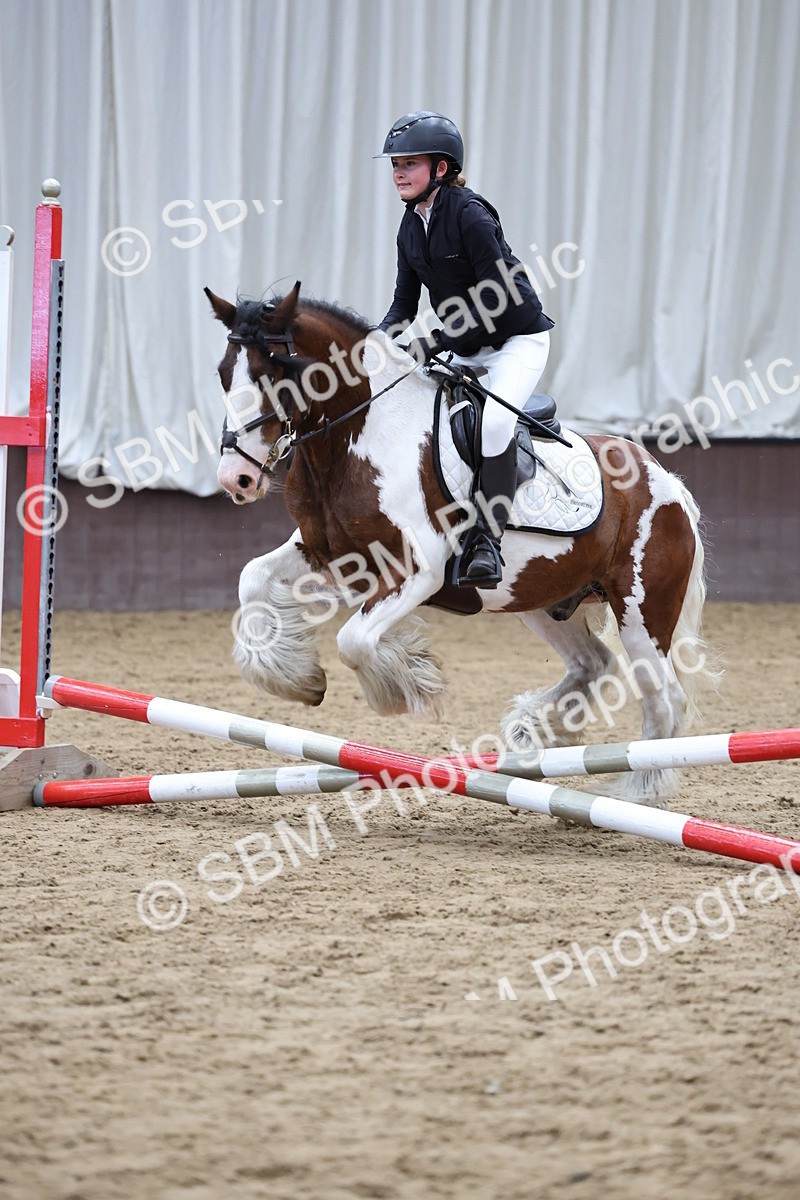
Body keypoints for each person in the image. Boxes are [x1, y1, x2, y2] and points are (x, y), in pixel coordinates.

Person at [377, 110, 554, 588]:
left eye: (410, 163)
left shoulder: (470, 214)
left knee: (496, 422)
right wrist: (376, 338)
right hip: (465, 343)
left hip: (515, 340)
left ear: (441, 168)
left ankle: (487, 541)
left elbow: (494, 300)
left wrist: (430, 342)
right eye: (395, 163)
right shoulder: (410, 225)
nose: (398, 171)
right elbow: (403, 303)